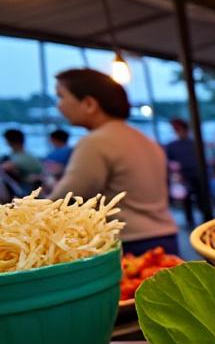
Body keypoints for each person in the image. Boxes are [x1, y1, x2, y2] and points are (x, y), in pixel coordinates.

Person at [50, 68, 177, 253]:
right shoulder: (147, 140)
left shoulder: (95, 142)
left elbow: (65, 199)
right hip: (166, 236)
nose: (59, 106)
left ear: (89, 103)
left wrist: (24, 215)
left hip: (130, 244)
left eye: (61, 96)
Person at [165, 117, 208, 219]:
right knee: (186, 201)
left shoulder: (194, 143)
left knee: (201, 199)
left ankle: (205, 219)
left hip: (197, 174)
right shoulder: (172, 145)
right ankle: (190, 220)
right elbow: (170, 162)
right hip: (183, 176)